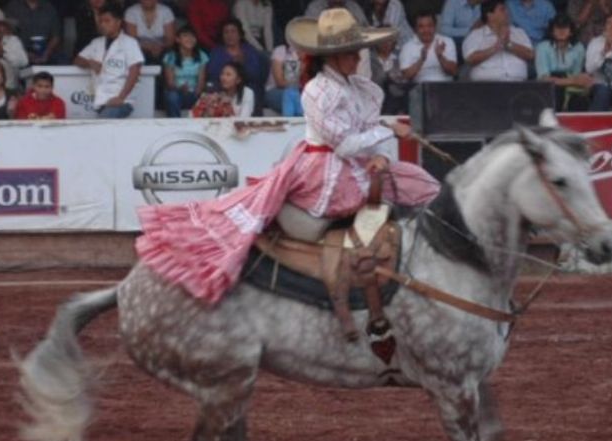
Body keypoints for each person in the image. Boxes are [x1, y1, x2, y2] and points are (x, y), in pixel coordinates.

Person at [134, 8, 440, 305]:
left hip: (352, 162)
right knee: (404, 189)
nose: (358, 57)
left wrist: (379, 154)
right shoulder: (317, 91)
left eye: (358, 51)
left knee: (423, 184)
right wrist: (388, 130)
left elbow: (364, 131)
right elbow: (345, 144)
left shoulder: (354, 85)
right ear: (331, 56)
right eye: (351, 52)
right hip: (325, 171)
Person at [75, 3, 143, 118]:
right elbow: (77, 60)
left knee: (101, 128)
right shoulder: (96, 43)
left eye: (107, 21)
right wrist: (90, 63)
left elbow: (134, 71)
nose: (103, 25)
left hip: (121, 102)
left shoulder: (130, 43)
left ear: (118, 22)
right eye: (101, 21)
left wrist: (121, 98)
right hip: (102, 102)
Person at [462, 0, 534, 82]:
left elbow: (530, 55)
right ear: (490, 15)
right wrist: (495, 48)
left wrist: (509, 44)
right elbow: (470, 59)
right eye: (502, 10)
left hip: (518, 85)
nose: (507, 12)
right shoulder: (475, 35)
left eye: (506, 9)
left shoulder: (519, 32)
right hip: (486, 87)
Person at [206, 18, 266, 115]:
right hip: (223, 87)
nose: (230, 35)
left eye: (233, 31)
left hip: (247, 86)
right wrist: (231, 69)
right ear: (222, 35)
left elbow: (256, 74)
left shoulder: (249, 50)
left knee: (253, 90)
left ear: (240, 34)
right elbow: (213, 73)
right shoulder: (216, 52)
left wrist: (243, 64)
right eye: (226, 32)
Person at [535, 13, 592, 111]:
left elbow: (576, 75)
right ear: (552, 31)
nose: (561, 31)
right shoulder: (542, 47)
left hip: (571, 87)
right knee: (557, 90)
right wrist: (571, 81)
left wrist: (579, 80)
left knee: (581, 99)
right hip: (549, 89)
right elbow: (543, 78)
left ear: (571, 31)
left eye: (565, 27)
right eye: (558, 28)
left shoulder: (579, 48)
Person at [399, 11, 458, 83]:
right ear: (415, 29)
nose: (426, 30)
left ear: (435, 27)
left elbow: (453, 71)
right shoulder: (407, 47)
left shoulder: (447, 41)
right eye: (421, 27)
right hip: (419, 89)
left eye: (429, 26)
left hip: (445, 88)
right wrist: (421, 60)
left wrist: (440, 56)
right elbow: (406, 76)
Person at [163, 25, 207, 116]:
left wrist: (195, 93)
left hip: (194, 94)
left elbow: (201, 82)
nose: (190, 39)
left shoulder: (201, 55)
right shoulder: (170, 57)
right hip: (177, 93)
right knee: (172, 96)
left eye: (192, 36)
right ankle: (175, 125)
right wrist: (180, 89)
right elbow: (170, 83)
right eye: (185, 36)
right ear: (177, 39)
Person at [5, 0, 63, 65]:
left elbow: (56, 35)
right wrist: (24, 54)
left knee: (62, 61)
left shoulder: (49, 8)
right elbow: (7, 34)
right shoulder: (13, 7)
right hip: (20, 54)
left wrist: (47, 53)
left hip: (46, 54)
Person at [265, 40, 301, 115]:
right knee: (292, 96)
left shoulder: (312, 52)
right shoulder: (283, 51)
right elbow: (281, 82)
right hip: (276, 90)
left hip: (300, 92)